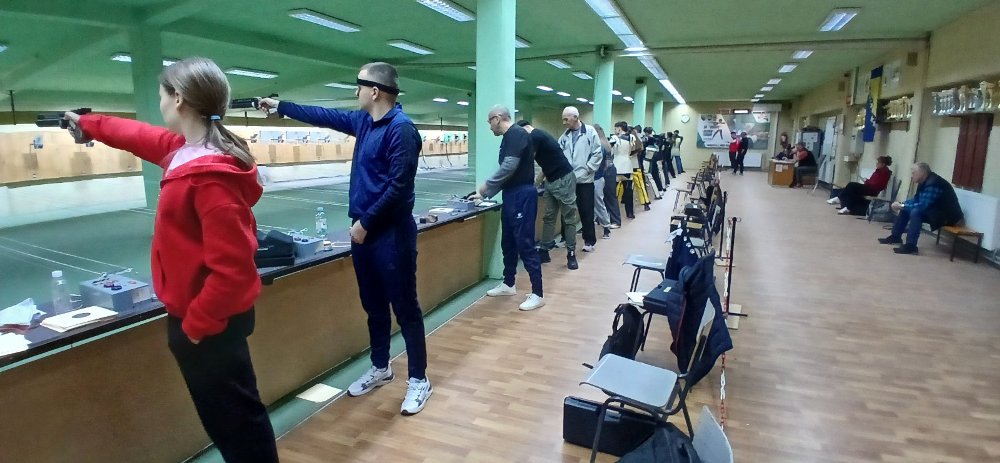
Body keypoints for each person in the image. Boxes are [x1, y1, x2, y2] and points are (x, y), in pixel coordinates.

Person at [66, 57, 278, 462]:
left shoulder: (209, 177)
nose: (160, 103)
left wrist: (194, 327)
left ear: (178, 98)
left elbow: (233, 273)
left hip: (209, 322)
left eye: (162, 95)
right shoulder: (185, 151)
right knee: (229, 422)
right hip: (204, 318)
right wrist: (89, 124)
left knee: (239, 426)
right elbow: (136, 134)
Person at [258, 62, 432, 415]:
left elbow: (399, 188)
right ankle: (381, 367)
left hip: (390, 234)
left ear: (375, 91)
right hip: (364, 233)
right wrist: (282, 107)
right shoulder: (364, 122)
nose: (355, 92)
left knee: (405, 308)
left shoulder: (401, 130)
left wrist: (365, 223)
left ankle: (419, 379)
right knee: (373, 306)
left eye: (359, 86)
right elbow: (324, 116)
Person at [471, 106, 545, 311]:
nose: (489, 127)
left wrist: (485, 187)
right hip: (511, 194)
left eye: (489, 122)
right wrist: (486, 194)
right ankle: (508, 283)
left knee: (525, 244)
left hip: (522, 195)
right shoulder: (509, 137)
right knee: (508, 242)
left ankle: (538, 293)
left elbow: (508, 167)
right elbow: (508, 173)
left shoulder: (517, 134)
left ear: (497, 118)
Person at [515, 120, 580, 270]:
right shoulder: (539, 136)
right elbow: (545, 166)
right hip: (551, 180)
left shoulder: (535, 136)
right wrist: (534, 186)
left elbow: (526, 160)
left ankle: (571, 254)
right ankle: (544, 251)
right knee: (549, 217)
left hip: (564, 179)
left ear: (524, 129)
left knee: (568, 218)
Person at [879, 162, 964, 254]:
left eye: (913, 173)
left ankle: (911, 246)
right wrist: (902, 204)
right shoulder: (924, 181)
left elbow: (923, 205)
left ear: (922, 172)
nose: (912, 176)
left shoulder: (934, 183)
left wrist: (902, 206)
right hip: (936, 212)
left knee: (916, 212)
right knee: (906, 209)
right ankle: (895, 237)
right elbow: (916, 199)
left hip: (949, 217)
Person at [558, 107, 603, 253]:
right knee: (566, 211)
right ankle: (565, 238)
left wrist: (588, 168)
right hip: (568, 180)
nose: (564, 122)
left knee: (586, 211)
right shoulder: (564, 136)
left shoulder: (589, 132)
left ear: (576, 117)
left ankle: (589, 241)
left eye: (566, 119)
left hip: (585, 180)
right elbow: (559, 154)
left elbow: (597, 153)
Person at [828, 156, 893, 215]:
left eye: (878, 163)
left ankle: (840, 199)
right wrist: (867, 181)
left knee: (851, 185)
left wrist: (867, 182)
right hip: (869, 187)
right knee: (851, 190)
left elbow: (878, 185)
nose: (877, 164)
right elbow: (873, 181)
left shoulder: (884, 173)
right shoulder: (878, 171)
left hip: (872, 190)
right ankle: (847, 207)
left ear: (883, 164)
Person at [611, 121, 638, 220]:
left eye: (615, 128)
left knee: (612, 193)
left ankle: (612, 214)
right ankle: (630, 213)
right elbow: (633, 149)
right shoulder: (631, 137)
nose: (615, 130)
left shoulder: (614, 138)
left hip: (616, 167)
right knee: (628, 192)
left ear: (619, 128)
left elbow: (611, 150)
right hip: (627, 166)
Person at [592, 124, 614, 240]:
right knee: (597, 203)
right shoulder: (605, 144)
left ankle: (606, 227)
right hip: (599, 177)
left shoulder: (599, 145)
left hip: (596, 178)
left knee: (598, 203)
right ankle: (605, 226)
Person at [642, 127, 665, 192]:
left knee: (650, 176)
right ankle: (660, 189)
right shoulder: (656, 139)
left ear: (646, 132)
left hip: (649, 160)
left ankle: (657, 192)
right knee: (656, 175)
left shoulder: (649, 139)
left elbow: (644, 150)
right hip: (655, 159)